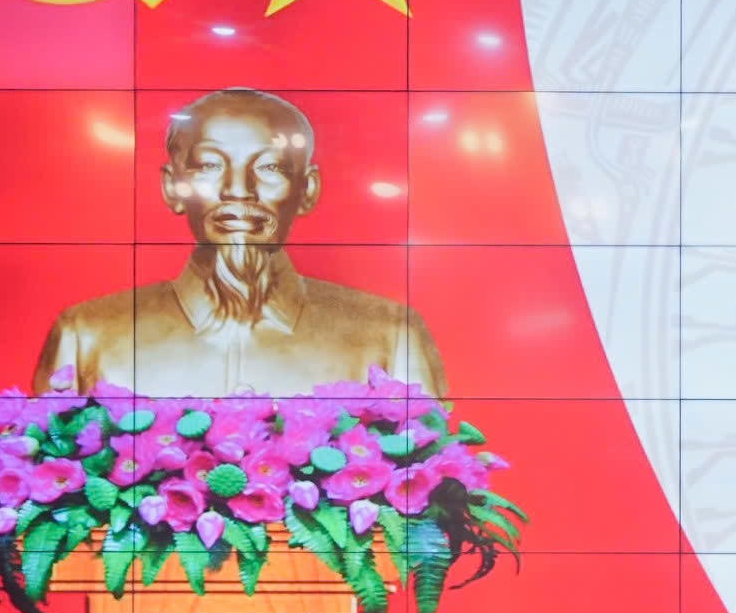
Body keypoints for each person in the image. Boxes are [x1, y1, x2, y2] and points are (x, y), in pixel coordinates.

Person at [33, 87, 447, 397]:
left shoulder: (391, 335)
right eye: (210, 165)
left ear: (307, 190)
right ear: (173, 188)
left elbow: (427, 481)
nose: (238, 190)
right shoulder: (86, 335)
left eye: (269, 167)